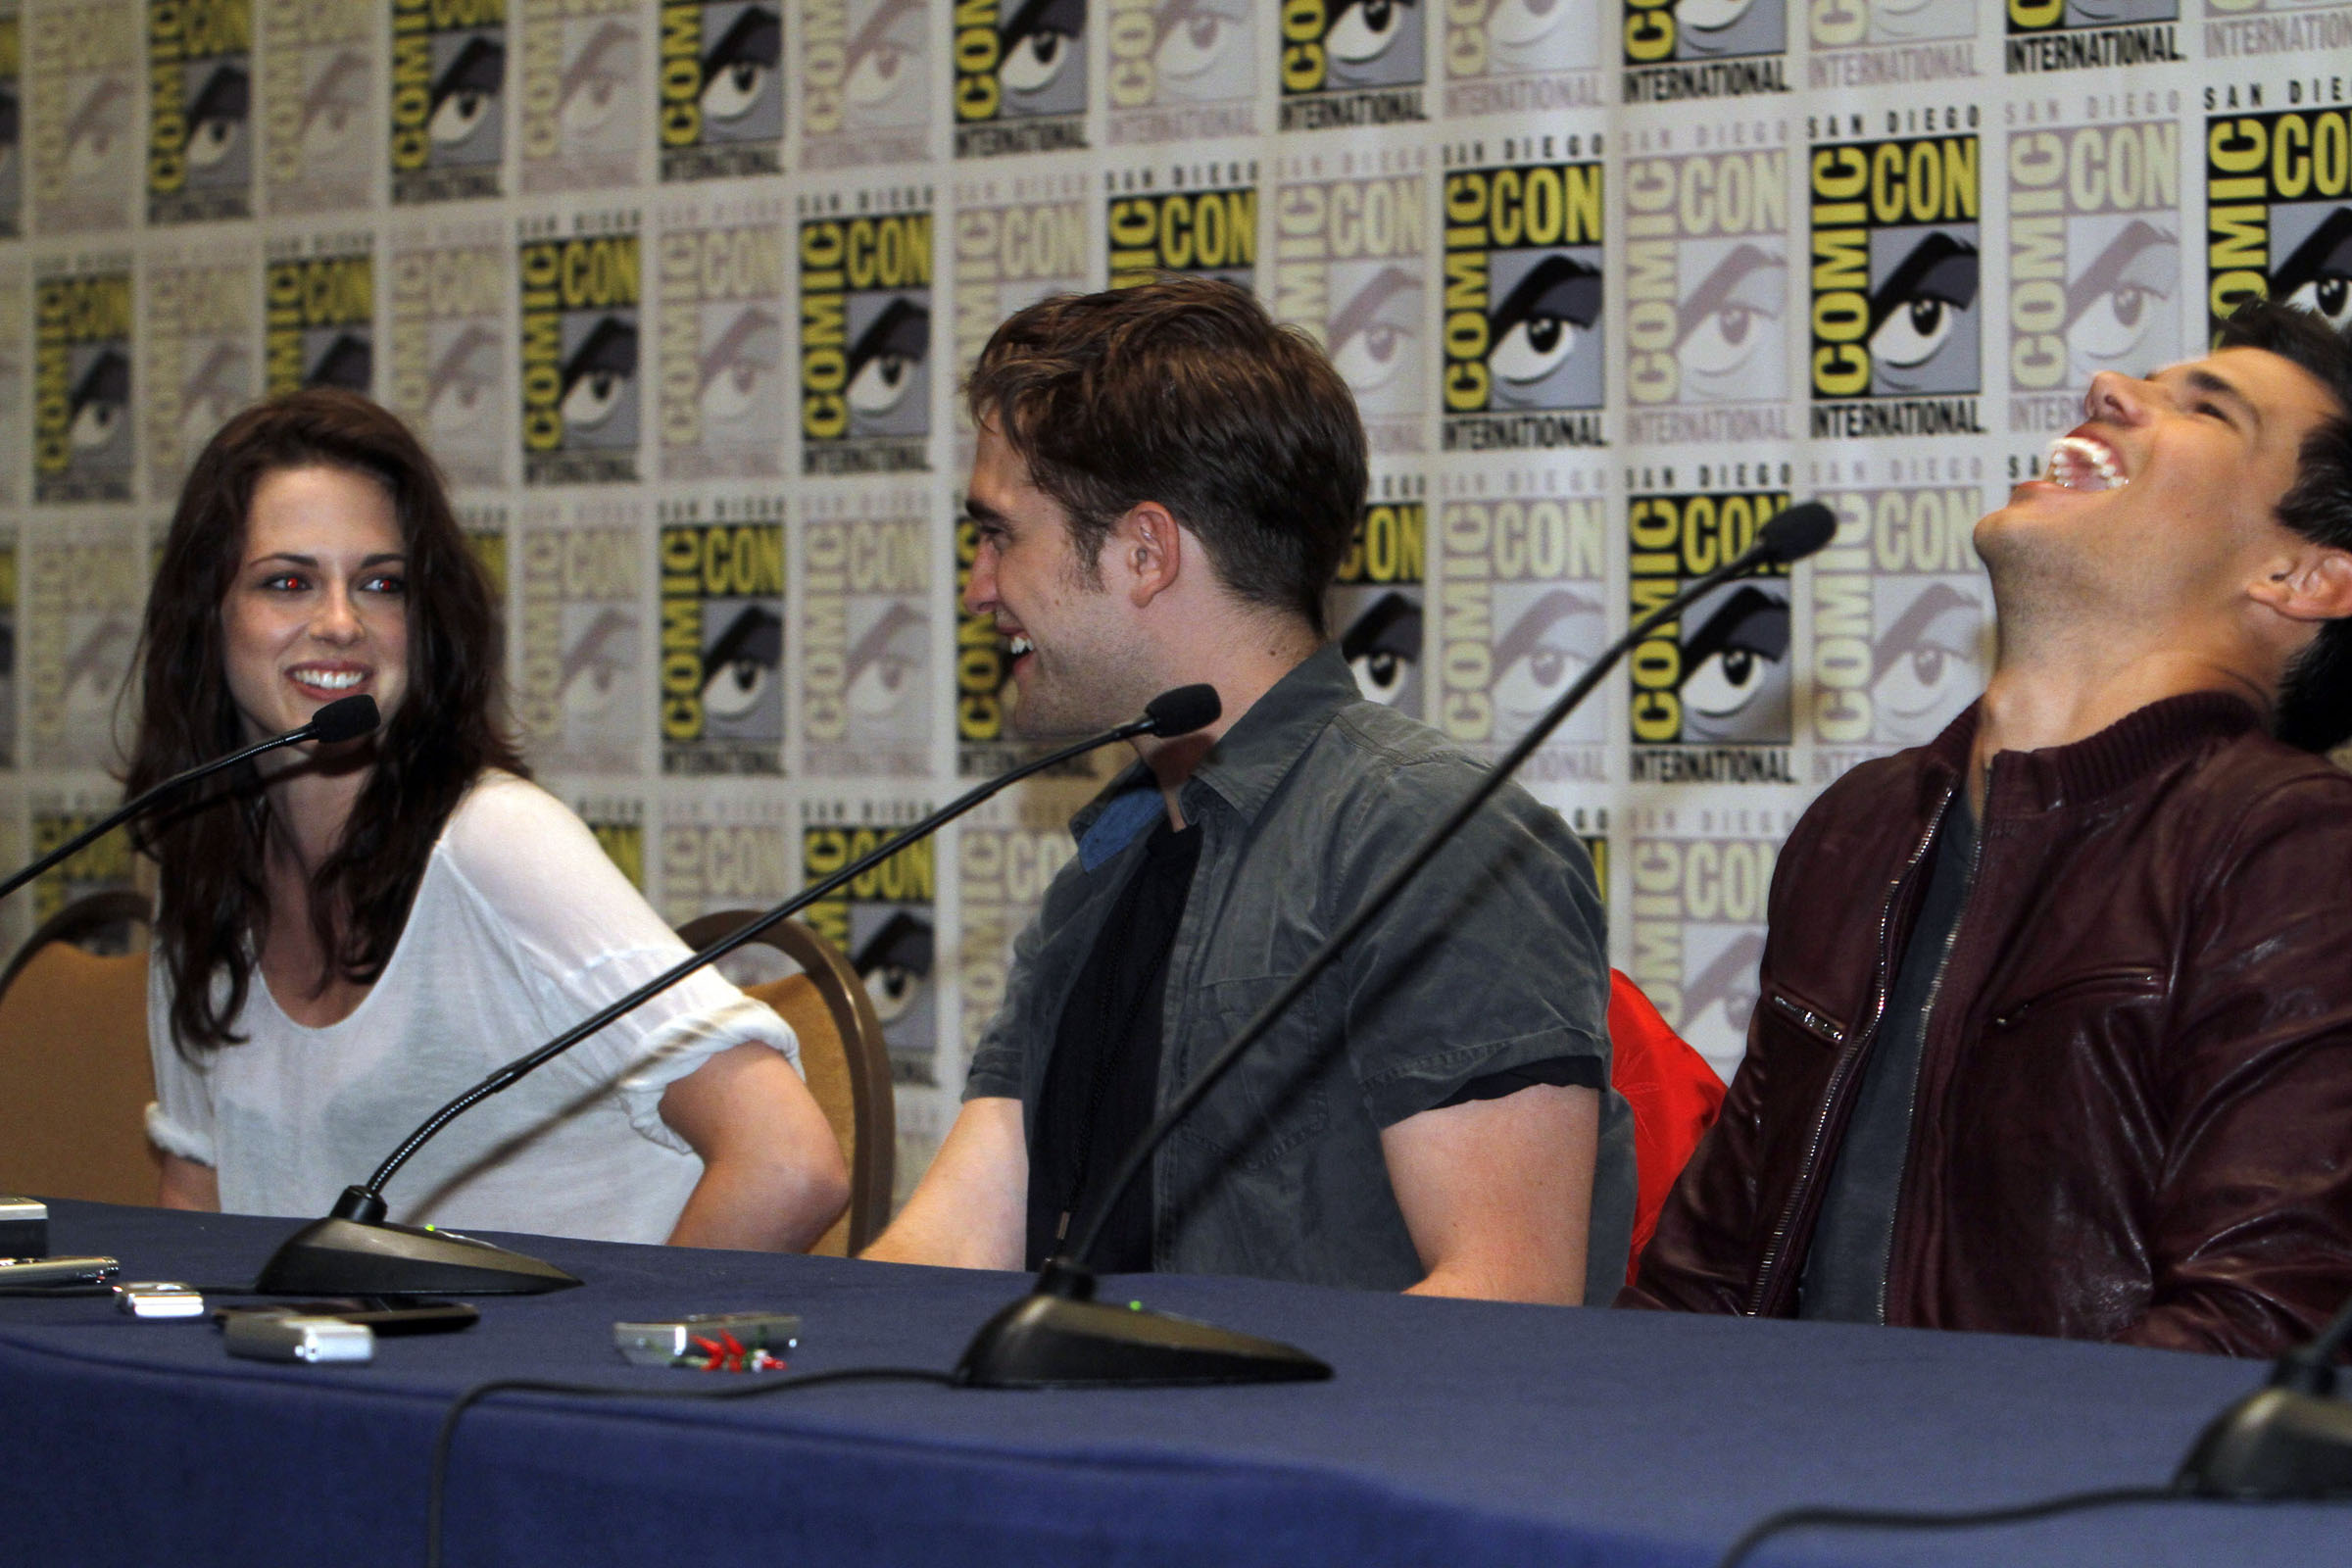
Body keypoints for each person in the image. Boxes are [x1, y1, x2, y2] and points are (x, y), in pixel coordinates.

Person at [862, 278, 1633, 1303]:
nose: (977, 588)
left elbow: (1507, 1303)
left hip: (1302, 1417)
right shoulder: (1114, 856)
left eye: (1001, 534)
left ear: (1145, 552)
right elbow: (960, 1234)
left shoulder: (1428, 841)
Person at [1624, 301, 2352, 1355]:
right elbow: (1698, 1287)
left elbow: (2254, 1331)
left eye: (2208, 409)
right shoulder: (1863, 825)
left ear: (2303, 576)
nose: (2106, 387)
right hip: (1761, 1454)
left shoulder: (2297, 849)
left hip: (2056, 1468)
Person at [135, 388, 848, 1249]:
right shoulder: (205, 877)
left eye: (381, 584)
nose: (341, 623)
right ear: (205, 617)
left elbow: (788, 1164)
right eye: (288, 582)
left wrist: (622, 1339)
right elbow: (197, 1189)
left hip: (569, 1338)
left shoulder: (496, 841)